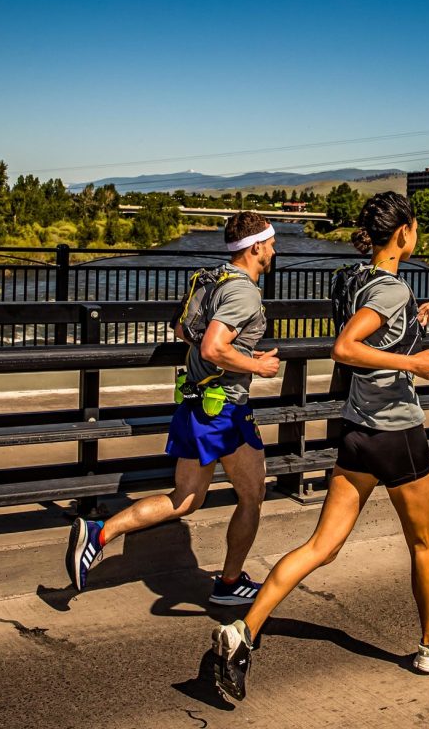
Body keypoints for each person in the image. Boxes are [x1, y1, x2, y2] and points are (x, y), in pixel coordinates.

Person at [210, 191, 429, 701]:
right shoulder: (389, 288)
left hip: (356, 431)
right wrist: (415, 364)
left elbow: (376, 339)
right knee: (423, 545)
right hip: (398, 436)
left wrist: (415, 325)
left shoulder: (355, 280)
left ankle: (242, 634)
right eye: (415, 229)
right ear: (404, 233)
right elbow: (347, 348)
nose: (417, 236)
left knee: (320, 548)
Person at [65, 211, 280, 606]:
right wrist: (257, 365)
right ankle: (230, 584)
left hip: (196, 404)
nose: (273, 250)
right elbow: (214, 346)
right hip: (225, 410)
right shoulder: (244, 291)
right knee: (252, 496)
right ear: (254, 248)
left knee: (185, 499)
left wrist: (233, 349)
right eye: (270, 244)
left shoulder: (211, 277)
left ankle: (98, 534)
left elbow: (182, 330)